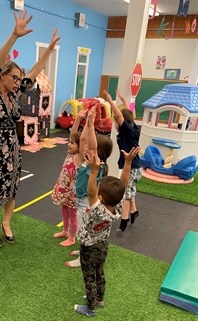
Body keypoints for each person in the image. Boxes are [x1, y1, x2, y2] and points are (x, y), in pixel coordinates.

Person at [0, 10, 60, 248]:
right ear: (3, 76)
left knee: (12, 187)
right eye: (14, 77)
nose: (18, 82)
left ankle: (7, 223)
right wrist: (15, 36)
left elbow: (35, 72)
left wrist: (48, 51)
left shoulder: (15, 93)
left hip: (13, 149)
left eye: (19, 79)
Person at [74, 145, 141, 317]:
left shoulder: (98, 209)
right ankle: (100, 298)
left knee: (89, 278)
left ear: (101, 198)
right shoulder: (117, 206)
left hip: (89, 248)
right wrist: (127, 163)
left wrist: (94, 172)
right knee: (99, 272)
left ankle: (90, 308)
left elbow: (90, 193)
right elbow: (123, 184)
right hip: (102, 246)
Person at [66, 107, 113, 268]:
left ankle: (83, 259)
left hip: (87, 203)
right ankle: (82, 251)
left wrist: (92, 126)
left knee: (83, 231)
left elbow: (91, 145)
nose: (85, 149)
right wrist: (86, 124)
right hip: (81, 201)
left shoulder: (97, 165)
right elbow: (84, 141)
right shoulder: (84, 161)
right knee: (82, 230)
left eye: (92, 149)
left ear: (99, 153)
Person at [104, 90, 142, 232]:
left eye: (115, 122)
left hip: (132, 167)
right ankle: (134, 212)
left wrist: (110, 99)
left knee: (126, 194)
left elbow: (120, 115)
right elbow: (128, 112)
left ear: (121, 123)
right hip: (130, 166)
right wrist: (123, 99)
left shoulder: (127, 131)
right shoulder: (133, 127)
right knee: (129, 191)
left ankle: (124, 220)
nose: (115, 123)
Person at [51, 131, 81, 247]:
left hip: (72, 193)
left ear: (80, 147)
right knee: (64, 211)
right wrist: (78, 118)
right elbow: (73, 131)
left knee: (73, 215)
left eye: (72, 143)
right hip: (63, 190)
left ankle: (72, 237)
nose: (69, 144)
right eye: (69, 142)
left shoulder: (79, 158)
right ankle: (65, 231)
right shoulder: (69, 154)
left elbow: (83, 142)